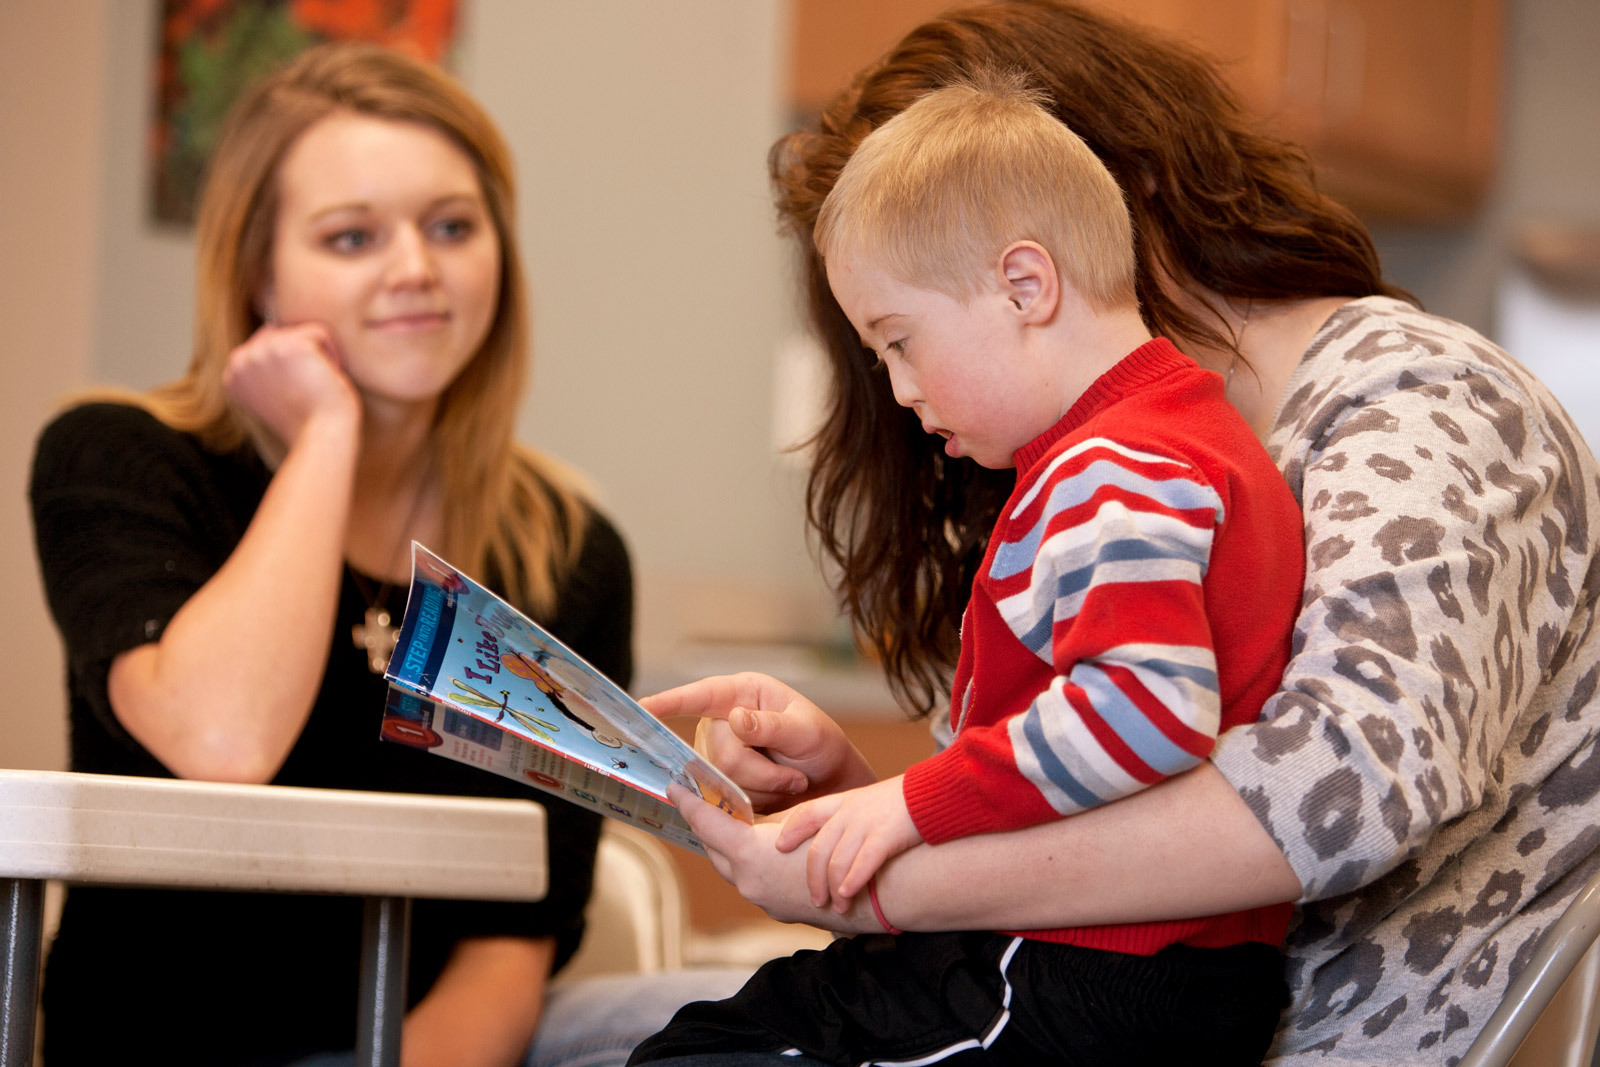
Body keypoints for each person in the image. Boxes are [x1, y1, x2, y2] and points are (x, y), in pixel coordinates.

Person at [633, 2, 1600, 1064]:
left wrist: (886, 874)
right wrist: (860, 808)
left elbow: (1335, 792)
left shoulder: (1414, 401)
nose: (903, 391)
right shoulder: (1110, 448)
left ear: (1061, 226)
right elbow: (1083, 788)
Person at [26, 43, 746, 1067]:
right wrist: (326, 435)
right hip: (164, 1041)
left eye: (452, 226)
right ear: (257, 273)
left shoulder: (568, 550)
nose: (416, 267)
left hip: (431, 1048)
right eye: (352, 236)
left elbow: (518, 934)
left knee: (760, 1006)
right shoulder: (117, 458)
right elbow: (223, 738)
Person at [630, 74, 1304, 1067]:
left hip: (1084, 974)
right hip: (1105, 962)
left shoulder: (1113, 468)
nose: (899, 391)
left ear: (1025, 287)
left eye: (900, 343)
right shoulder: (1171, 440)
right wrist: (867, 792)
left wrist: (905, 803)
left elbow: (1144, 708)